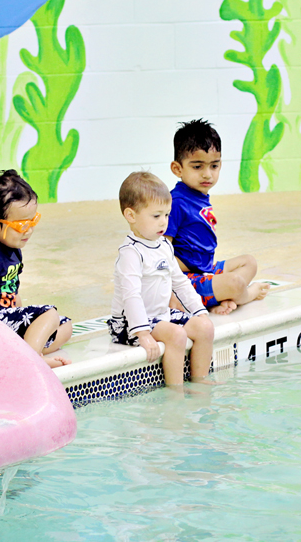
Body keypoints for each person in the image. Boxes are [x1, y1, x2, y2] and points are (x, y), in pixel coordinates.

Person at [0, 170, 72, 369]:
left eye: (33, 221)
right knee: (49, 314)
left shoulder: (11, 246)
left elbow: (11, 293)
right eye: (22, 224)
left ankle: (23, 350)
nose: (29, 229)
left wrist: (20, 314)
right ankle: (32, 359)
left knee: (65, 326)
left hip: (3, 322)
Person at [109, 171, 215, 387]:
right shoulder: (131, 252)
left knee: (205, 328)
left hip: (160, 316)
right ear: (131, 216)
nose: (164, 222)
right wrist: (143, 334)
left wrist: (200, 312)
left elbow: (180, 282)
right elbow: (131, 296)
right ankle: (175, 393)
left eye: (166, 215)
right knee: (176, 335)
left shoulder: (164, 246)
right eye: (156, 216)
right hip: (130, 323)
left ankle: (200, 381)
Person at [165, 119, 269, 315]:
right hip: (187, 280)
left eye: (214, 166)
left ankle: (219, 296)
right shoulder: (176, 202)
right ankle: (246, 295)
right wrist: (186, 267)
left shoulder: (200, 196)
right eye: (197, 167)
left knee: (249, 262)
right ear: (178, 169)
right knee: (235, 282)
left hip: (206, 270)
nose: (207, 175)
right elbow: (161, 250)